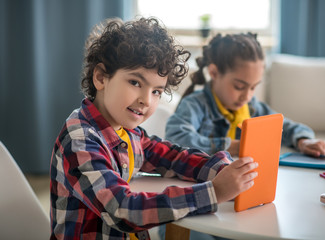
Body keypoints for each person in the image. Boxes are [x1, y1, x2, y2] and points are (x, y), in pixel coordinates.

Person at [50, 17, 259, 240]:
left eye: (156, 91)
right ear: (101, 77)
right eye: (135, 83)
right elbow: (123, 210)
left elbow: (172, 156)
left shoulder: (127, 132)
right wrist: (214, 193)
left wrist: (221, 170)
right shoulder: (80, 139)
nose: (146, 100)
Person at [165, 33, 325, 158]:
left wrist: (303, 140)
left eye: (253, 88)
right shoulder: (195, 105)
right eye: (239, 87)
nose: (247, 96)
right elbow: (175, 137)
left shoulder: (252, 108)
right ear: (214, 72)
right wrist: (232, 146)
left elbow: (287, 128)